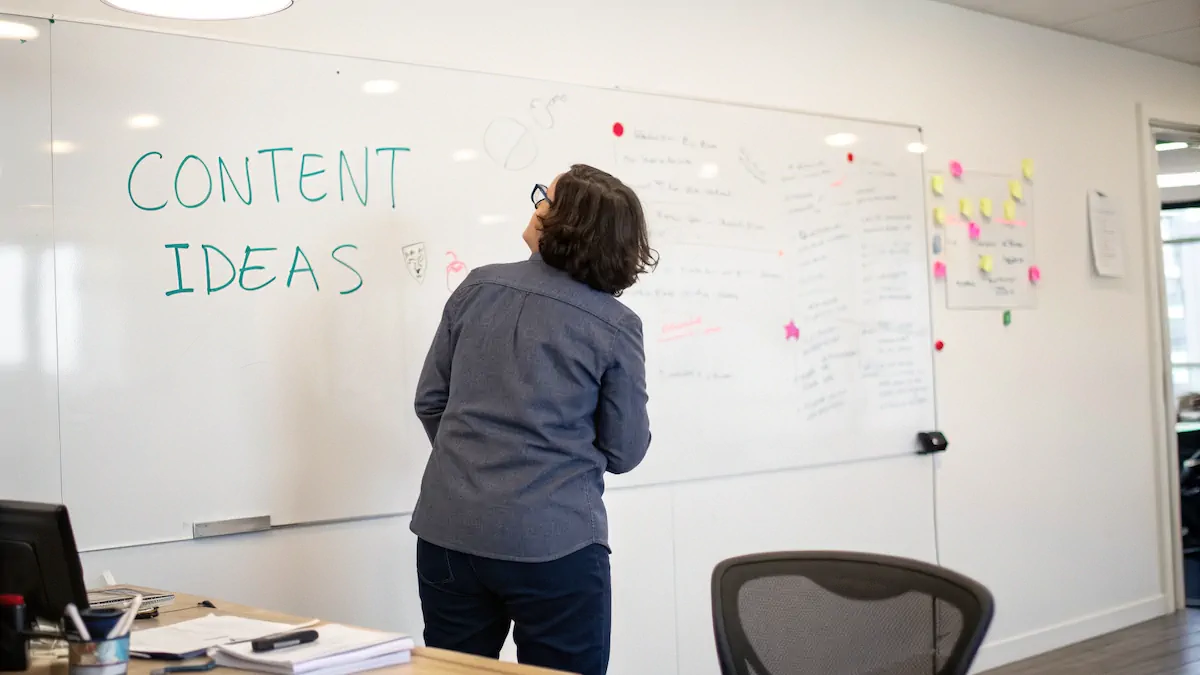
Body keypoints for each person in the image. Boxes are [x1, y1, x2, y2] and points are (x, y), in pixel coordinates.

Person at [410, 164, 655, 675]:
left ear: (571, 223)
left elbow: (431, 401)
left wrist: (473, 461)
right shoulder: (613, 325)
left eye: (548, 197)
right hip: (554, 545)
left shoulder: (477, 287)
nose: (537, 205)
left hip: (449, 536)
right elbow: (626, 451)